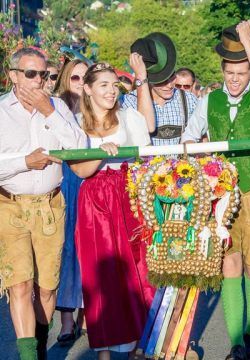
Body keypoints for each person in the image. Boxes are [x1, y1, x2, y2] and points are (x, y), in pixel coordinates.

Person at [182, 21, 250, 360]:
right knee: (230, 264)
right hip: (222, 192)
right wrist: (200, 149)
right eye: (230, 72)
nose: (236, 78)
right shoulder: (209, 101)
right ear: (222, 71)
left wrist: (248, 42)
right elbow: (188, 139)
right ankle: (236, 342)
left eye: (242, 72)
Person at [0, 47, 86, 360]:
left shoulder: (58, 107)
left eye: (44, 74)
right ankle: (28, 356)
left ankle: (37, 348)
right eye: (31, 73)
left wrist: (49, 112)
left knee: (47, 287)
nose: (39, 81)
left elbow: (78, 148)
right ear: (13, 76)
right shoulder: (1, 111)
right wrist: (24, 162)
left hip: (51, 205)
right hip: (10, 205)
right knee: (20, 284)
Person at [70, 62, 155, 360]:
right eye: (103, 84)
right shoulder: (77, 121)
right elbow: (80, 170)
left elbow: (145, 157)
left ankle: (138, 345)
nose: (110, 90)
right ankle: (103, 349)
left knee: (137, 268)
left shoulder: (130, 117)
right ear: (88, 89)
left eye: (114, 84)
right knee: (100, 274)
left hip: (127, 193)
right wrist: (99, 152)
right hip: (95, 200)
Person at [53, 59, 89, 346]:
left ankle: (87, 313)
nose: (79, 83)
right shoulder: (56, 108)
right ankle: (66, 320)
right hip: (65, 181)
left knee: (89, 247)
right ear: (66, 79)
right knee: (65, 248)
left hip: (90, 181)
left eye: (84, 78)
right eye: (74, 78)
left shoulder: (100, 109)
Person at [122, 33, 197, 146]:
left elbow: (203, 139)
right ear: (148, 80)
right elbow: (146, 127)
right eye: (161, 81)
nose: (169, 85)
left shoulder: (189, 100)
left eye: (171, 77)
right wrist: (141, 77)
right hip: (146, 163)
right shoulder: (130, 101)